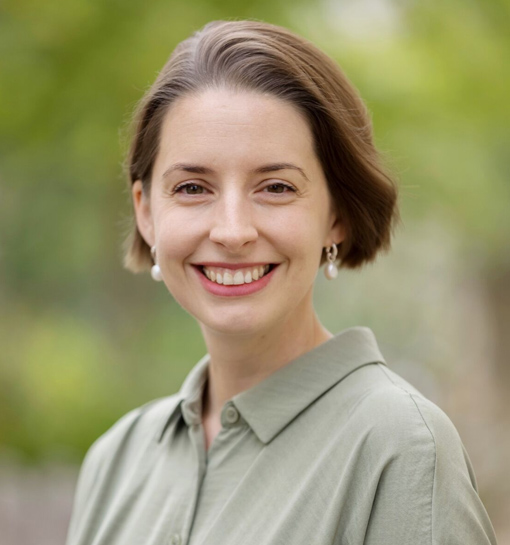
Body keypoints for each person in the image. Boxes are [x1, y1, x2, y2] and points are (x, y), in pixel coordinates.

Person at [65, 19, 498, 545]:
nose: (232, 231)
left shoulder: (402, 448)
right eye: (192, 187)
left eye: (275, 187)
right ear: (147, 212)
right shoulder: (117, 459)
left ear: (335, 215)